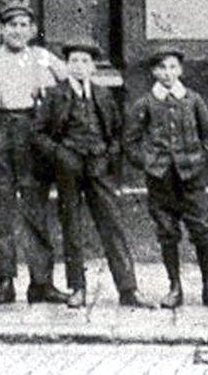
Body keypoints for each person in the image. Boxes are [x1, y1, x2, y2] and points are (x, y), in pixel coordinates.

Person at [33, 39, 145, 309]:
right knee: (72, 227)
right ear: (67, 66)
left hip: (98, 169)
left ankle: (128, 288)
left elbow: (118, 132)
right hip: (68, 169)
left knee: (113, 225)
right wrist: (59, 154)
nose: (79, 67)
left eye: (85, 61)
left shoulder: (104, 95)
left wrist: (108, 156)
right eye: (74, 62)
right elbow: (37, 133)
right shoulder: (54, 95)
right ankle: (78, 288)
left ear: (93, 66)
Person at [0, 4, 66, 304]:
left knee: (35, 206)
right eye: (12, 25)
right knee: (0, 208)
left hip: (33, 132)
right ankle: (3, 282)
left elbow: (68, 87)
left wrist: (47, 98)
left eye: (24, 24)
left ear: (32, 29)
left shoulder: (42, 57)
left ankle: (42, 282)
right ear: (1, 28)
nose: (18, 30)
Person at [123, 47, 208, 310]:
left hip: (191, 178)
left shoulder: (193, 100)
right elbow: (130, 141)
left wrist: (199, 159)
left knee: (202, 231)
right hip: (160, 180)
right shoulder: (145, 103)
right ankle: (175, 287)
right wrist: (148, 163)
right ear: (153, 72)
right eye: (161, 68)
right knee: (167, 232)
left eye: (172, 67)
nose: (167, 73)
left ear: (180, 70)